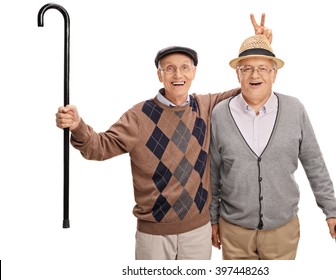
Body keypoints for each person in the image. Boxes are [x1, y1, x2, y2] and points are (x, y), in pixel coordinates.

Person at [55, 14, 272, 260]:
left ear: (194, 72)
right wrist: (77, 126)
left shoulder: (206, 106)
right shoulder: (139, 117)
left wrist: (260, 50)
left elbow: (251, 88)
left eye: (184, 67)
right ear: (160, 75)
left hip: (198, 232)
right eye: (169, 68)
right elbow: (99, 147)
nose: (177, 74)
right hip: (154, 237)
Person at [209, 26, 336, 260]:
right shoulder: (220, 114)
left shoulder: (295, 110)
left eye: (263, 68)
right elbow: (212, 172)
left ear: (274, 74)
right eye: (247, 69)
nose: (255, 76)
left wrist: (332, 211)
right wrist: (213, 219)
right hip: (234, 231)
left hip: (283, 230)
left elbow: (314, 163)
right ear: (237, 74)